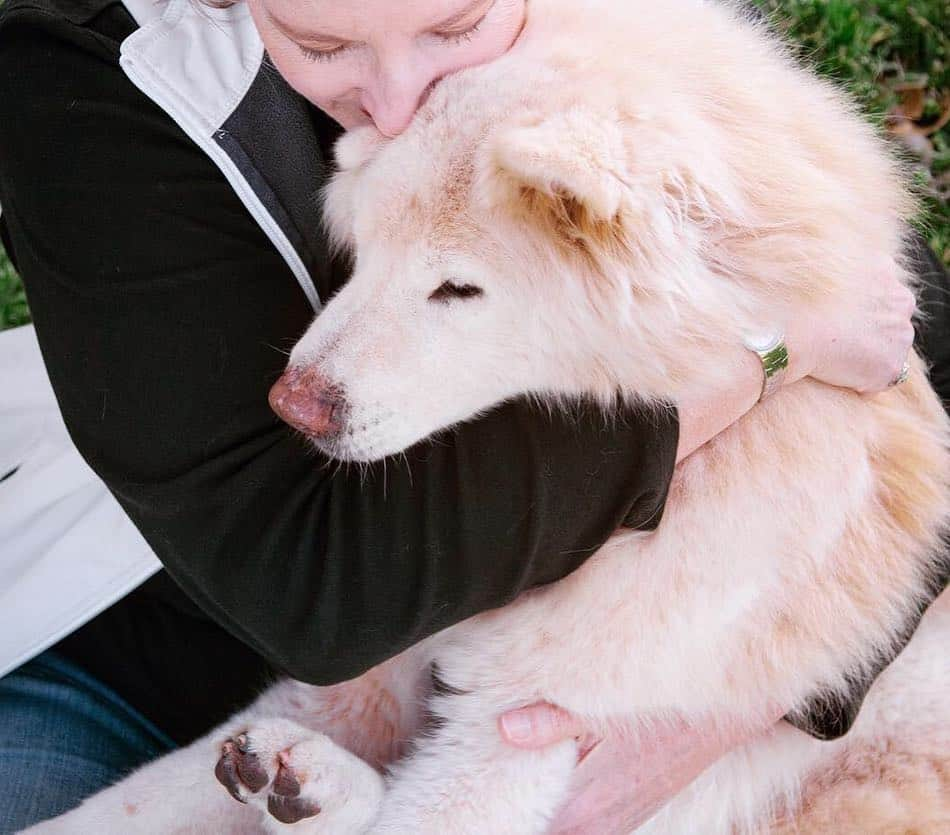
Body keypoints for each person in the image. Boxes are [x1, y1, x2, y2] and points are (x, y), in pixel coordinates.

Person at [0, 0, 946, 830]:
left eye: (454, 27)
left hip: (409, 692)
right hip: (122, 649)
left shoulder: (609, 66)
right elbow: (321, 594)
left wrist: (767, 699)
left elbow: (904, 345)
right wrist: (766, 355)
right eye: (321, 43)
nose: (399, 103)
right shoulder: (87, 80)